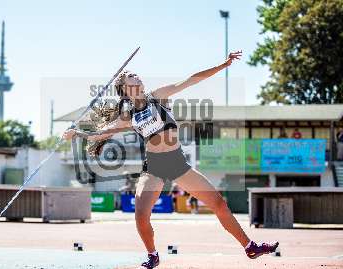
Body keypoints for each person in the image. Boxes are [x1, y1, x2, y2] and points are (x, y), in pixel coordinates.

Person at [63, 51, 278, 268]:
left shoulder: (158, 96)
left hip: (177, 163)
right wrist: (77, 133)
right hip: (153, 167)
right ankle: (153, 255)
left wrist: (224, 65)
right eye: (131, 75)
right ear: (125, 87)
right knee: (141, 216)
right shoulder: (128, 116)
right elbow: (104, 132)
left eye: (136, 74)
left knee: (219, 204)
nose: (137, 76)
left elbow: (192, 80)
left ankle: (250, 247)